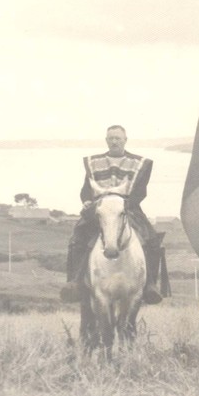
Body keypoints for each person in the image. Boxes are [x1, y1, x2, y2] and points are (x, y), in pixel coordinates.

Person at [61, 125, 165, 305]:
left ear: (125, 140)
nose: (114, 141)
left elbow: (140, 192)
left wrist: (124, 204)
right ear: (106, 140)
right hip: (100, 208)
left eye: (118, 138)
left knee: (152, 239)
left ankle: (150, 285)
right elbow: (86, 189)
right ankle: (75, 282)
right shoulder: (94, 163)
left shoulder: (139, 164)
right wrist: (86, 200)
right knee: (77, 237)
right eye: (111, 138)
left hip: (127, 208)